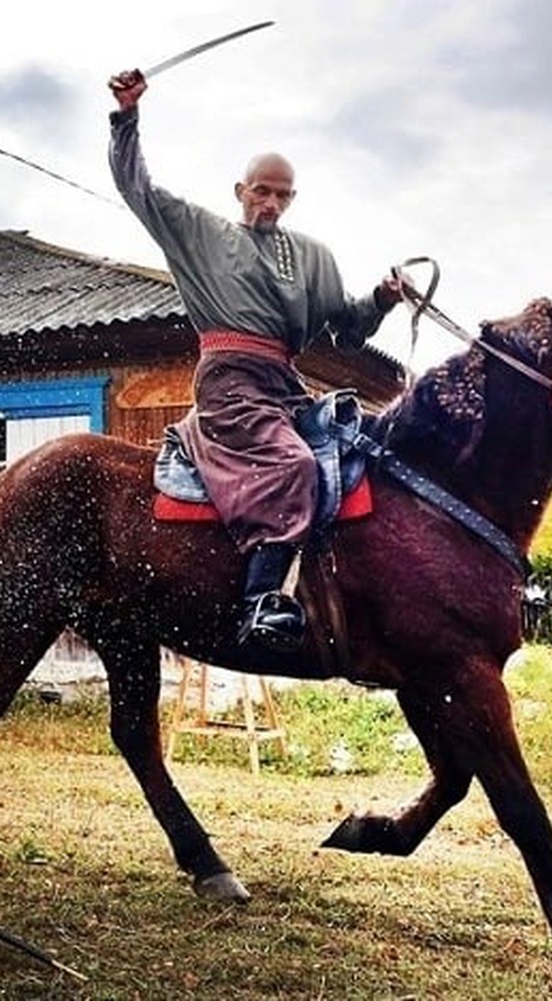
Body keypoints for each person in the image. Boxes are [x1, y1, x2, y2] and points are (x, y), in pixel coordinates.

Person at [108, 68, 403, 653]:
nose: (270, 202)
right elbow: (136, 187)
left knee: (357, 453)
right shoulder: (200, 232)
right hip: (227, 381)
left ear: (291, 199)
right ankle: (261, 600)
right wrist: (126, 117)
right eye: (260, 191)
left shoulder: (313, 256)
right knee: (290, 463)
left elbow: (346, 325)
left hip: (284, 382)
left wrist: (383, 299)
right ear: (240, 190)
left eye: (281, 194)